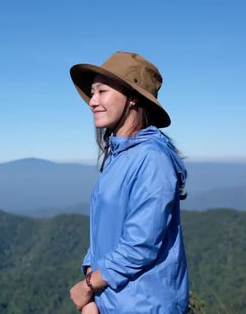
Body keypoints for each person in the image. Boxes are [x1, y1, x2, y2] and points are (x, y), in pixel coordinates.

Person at [68, 52, 189, 313]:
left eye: (102, 91)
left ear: (133, 97)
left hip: (143, 304)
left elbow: (141, 244)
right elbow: (105, 230)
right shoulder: (119, 155)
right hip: (114, 301)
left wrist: (88, 286)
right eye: (92, 92)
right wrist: (92, 292)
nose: (92, 101)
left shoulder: (152, 158)